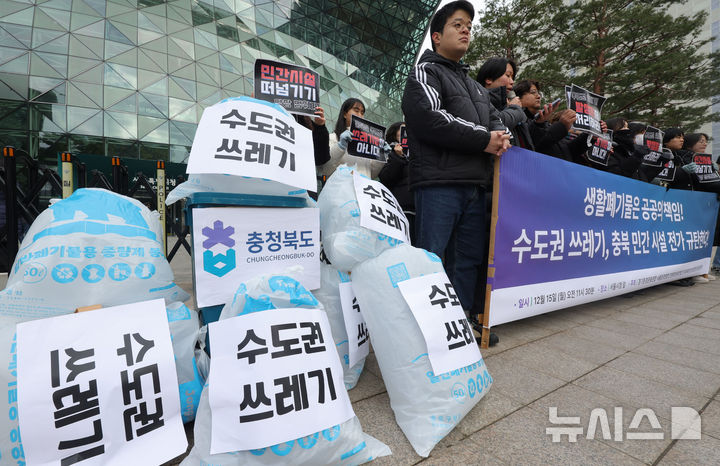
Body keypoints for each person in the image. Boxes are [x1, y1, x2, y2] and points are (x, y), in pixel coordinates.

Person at [401, 1, 510, 334]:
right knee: (431, 259)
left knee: (467, 260)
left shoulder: (475, 87)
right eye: (457, 24)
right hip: (439, 183)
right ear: (437, 36)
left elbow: (496, 122)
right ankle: (422, 329)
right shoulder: (425, 72)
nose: (466, 31)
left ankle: (458, 325)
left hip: (475, 186)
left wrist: (500, 138)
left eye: (469, 27)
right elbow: (430, 118)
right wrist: (484, 139)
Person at [321, 98, 385, 180]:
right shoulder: (333, 138)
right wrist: (340, 147)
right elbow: (326, 169)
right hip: (341, 186)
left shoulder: (368, 142)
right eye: (356, 110)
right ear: (345, 114)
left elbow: (371, 174)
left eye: (362, 113)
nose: (360, 115)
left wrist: (381, 155)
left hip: (364, 187)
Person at [476, 58, 528, 146]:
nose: (512, 82)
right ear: (489, 79)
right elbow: (497, 121)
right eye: (508, 75)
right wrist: (515, 109)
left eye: (512, 77)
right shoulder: (478, 100)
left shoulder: (508, 104)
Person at [378, 122, 415, 243]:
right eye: (403, 129)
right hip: (401, 209)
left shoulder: (417, 152)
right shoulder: (388, 151)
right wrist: (398, 157)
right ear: (395, 134)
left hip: (419, 208)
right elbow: (386, 178)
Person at [513, 79, 568, 154]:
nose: (538, 96)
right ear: (518, 98)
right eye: (533, 92)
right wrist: (562, 125)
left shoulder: (544, 121)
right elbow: (541, 143)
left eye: (538, 93)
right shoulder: (517, 121)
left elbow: (566, 149)